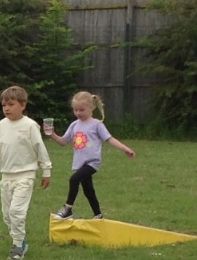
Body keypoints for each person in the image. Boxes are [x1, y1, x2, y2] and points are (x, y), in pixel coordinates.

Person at [0, 85, 51, 260]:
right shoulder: (1, 125)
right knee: (7, 215)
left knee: (16, 211)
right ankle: (20, 240)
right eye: (4, 105)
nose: (7, 108)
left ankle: (18, 246)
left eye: (11, 104)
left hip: (25, 175)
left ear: (23, 105)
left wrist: (46, 171)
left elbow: (40, 148)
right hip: (6, 176)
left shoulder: (30, 126)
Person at [48, 90, 135, 220]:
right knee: (88, 190)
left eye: (82, 110)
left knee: (74, 179)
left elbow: (110, 139)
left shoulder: (96, 125)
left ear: (91, 107)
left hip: (92, 163)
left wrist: (125, 148)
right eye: (75, 110)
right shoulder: (74, 125)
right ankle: (98, 214)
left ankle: (68, 209)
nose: (78, 113)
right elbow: (63, 142)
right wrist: (52, 134)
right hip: (79, 163)